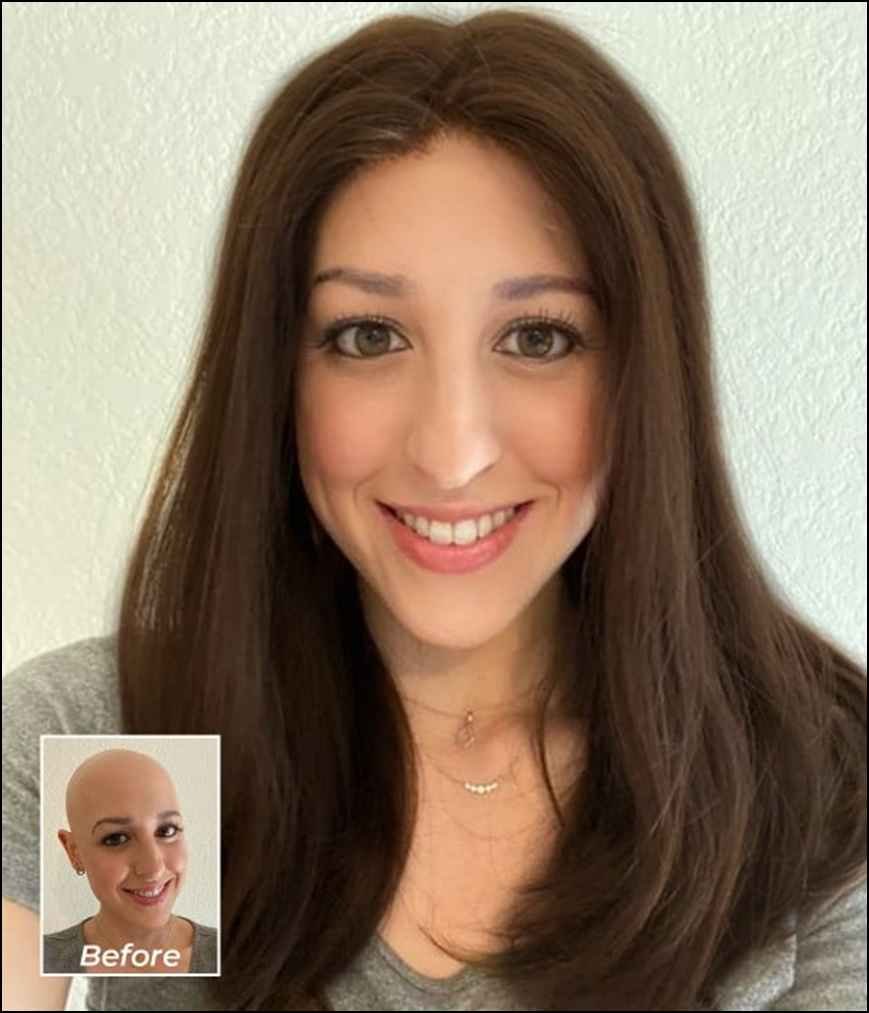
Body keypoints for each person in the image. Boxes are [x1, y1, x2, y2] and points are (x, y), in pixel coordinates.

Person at [3, 7, 866, 1012]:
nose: (451, 453)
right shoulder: (118, 745)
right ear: (277, 372)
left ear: (643, 375)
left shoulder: (815, 785)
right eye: (367, 335)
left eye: (538, 337)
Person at [42, 749, 217, 975]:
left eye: (167, 830)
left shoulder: (240, 955)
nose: (153, 868)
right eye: (116, 838)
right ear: (74, 852)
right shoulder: (32, 963)